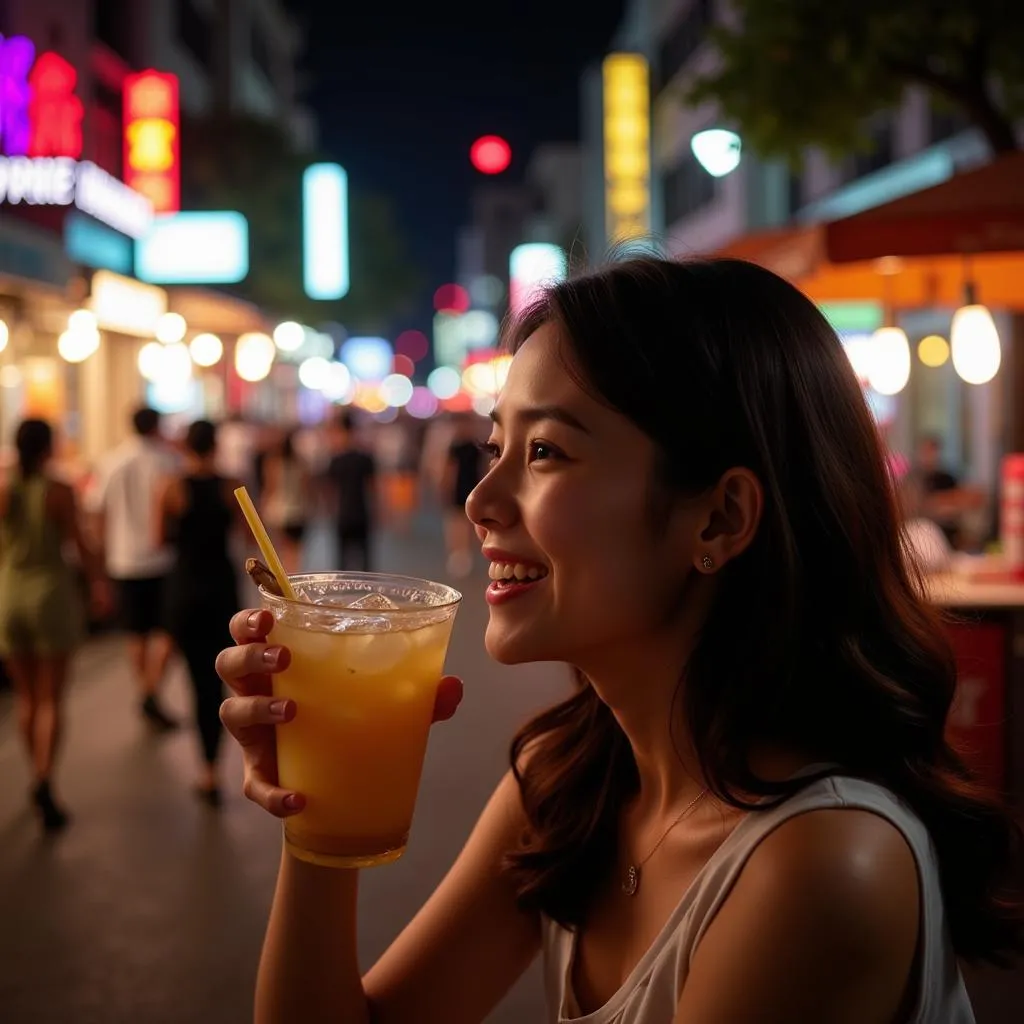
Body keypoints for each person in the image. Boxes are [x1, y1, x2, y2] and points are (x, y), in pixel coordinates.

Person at [216, 258, 1023, 1023]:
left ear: (719, 518)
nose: (481, 500)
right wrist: (317, 810)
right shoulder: (572, 785)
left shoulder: (820, 862)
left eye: (545, 452)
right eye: (496, 449)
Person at [0, 419, 110, 830]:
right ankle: (46, 778)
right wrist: (99, 583)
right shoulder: (59, 490)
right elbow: (81, 546)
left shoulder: (5, 489)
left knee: (25, 700)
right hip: (50, 595)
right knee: (50, 698)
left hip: (9, 595)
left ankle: (33, 772)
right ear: (49, 447)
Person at [156, 420, 241, 805]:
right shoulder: (230, 486)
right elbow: (245, 531)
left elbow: (156, 538)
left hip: (186, 588)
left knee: (196, 682)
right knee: (218, 678)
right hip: (220, 588)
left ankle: (205, 769)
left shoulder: (171, 487)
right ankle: (213, 770)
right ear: (215, 445)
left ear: (186, 446)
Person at [89, 406, 179, 731]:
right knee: (167, 630)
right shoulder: (168, 461)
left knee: (135, 631)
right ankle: (150, 692)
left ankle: (146, 691)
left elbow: (96, 509)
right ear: (156, 427)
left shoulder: (112, 461)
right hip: (162, 559)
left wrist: (100, 553)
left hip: (123, 559)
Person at [326, 410, 376, 572]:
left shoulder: (336, 459)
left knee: (342, 559)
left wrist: (330, 510)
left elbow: (331, 491)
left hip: (343, 513)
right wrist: (379, 510)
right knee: (365, 557)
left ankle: (343, 591)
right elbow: (373, 487)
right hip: (362, 512)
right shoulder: (365, 457)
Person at [262, 428, 311, 575]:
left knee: (280, 550)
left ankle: (283, 577)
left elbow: (270, 488)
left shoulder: (273, 463)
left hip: (278, 512)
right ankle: (293, 574)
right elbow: (305, 488)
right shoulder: (301, 463)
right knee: (294, 551)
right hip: (298, 510)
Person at [442, 412, 484, 577]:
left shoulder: (473, 448)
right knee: (457, 521)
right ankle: (457, 552)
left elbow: (481, 469)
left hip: (470, 487)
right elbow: (450, 469)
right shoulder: (456, 447)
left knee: (466, 522)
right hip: (460, 487)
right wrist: (446, 486)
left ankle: (463, 553)